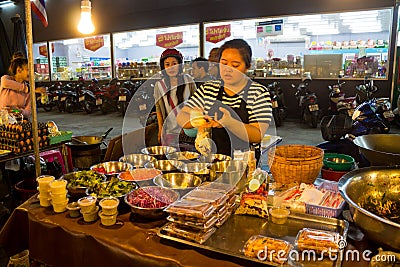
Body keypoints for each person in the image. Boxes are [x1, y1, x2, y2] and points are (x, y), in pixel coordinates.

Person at [177, 39, 272, 161]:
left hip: (243, 162)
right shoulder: (209, 88)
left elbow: (257, 134)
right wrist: (196, 120)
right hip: (212, 160)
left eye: (235, 65)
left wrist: (229, 122)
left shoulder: (258, 93)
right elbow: (181, 116)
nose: (228, 69)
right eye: (224, 63)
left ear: (247, 67)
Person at [153, 48, 196, 146]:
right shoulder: (159, 85)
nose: (171, 67)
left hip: (188, 131)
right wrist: (160, 129)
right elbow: (158, 108)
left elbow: (196, 103)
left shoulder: (188, 80)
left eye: (174, 64)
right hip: (170, 132)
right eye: (167, 64)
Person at [0, 52, 46, 117]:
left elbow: (28, 112)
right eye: (28, 70)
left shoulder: (28, 90)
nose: (31, 73)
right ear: (19, 70)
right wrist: (29, 89)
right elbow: (5, 83)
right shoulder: (6, 79)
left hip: (18, 122)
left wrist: (17, 111)